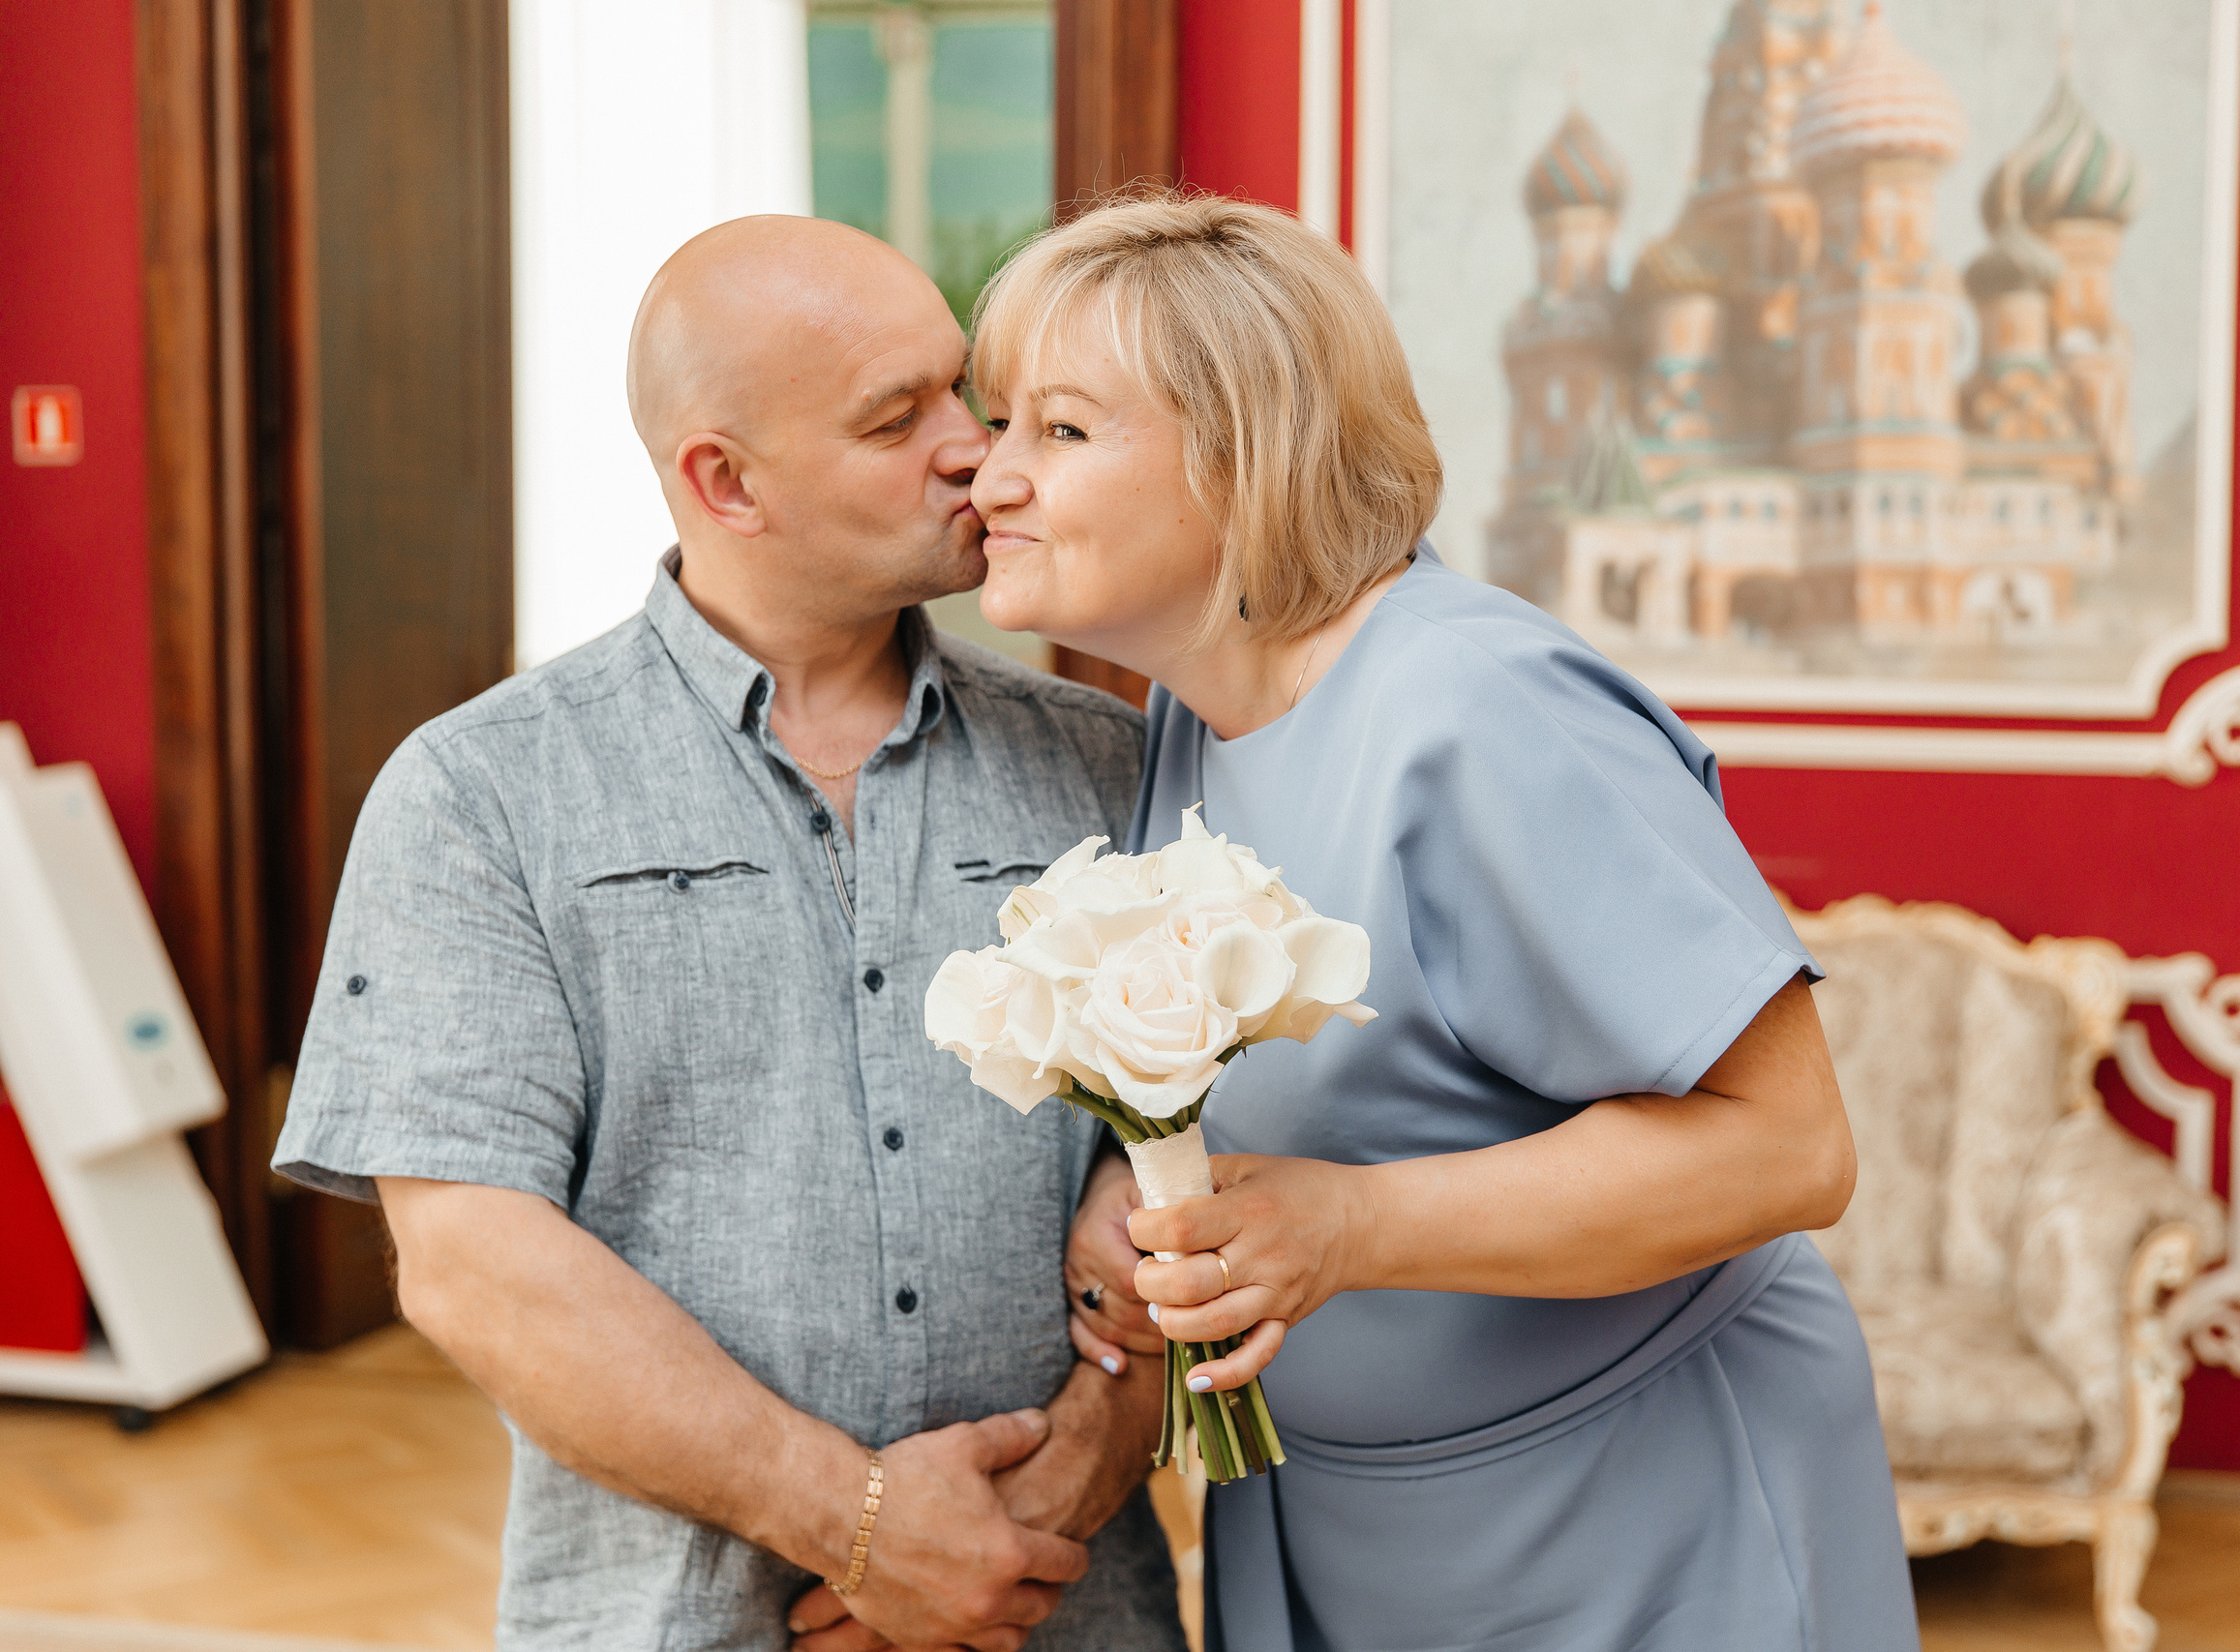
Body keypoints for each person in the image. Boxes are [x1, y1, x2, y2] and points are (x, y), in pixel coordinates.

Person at [967, 191, 1921, 1651]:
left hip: (1633, 1516)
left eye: (1061, 429)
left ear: (1247, 453)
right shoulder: (1190, 720)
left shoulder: (1480, 710)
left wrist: (1350, 1226)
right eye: (999, 425)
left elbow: (1790, 1146)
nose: (992, 478)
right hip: (1339, 1522)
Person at [270, 216, 1183, 1652]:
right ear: (725, 481)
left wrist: (1063, 1484)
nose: (975, 448)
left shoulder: (1109, 759)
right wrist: (864, 1529)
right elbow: (470, 1259)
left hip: (1069, 1609)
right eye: (897, 418)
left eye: (961, 389)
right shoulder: (479, 792)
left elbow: (1199, 1158)